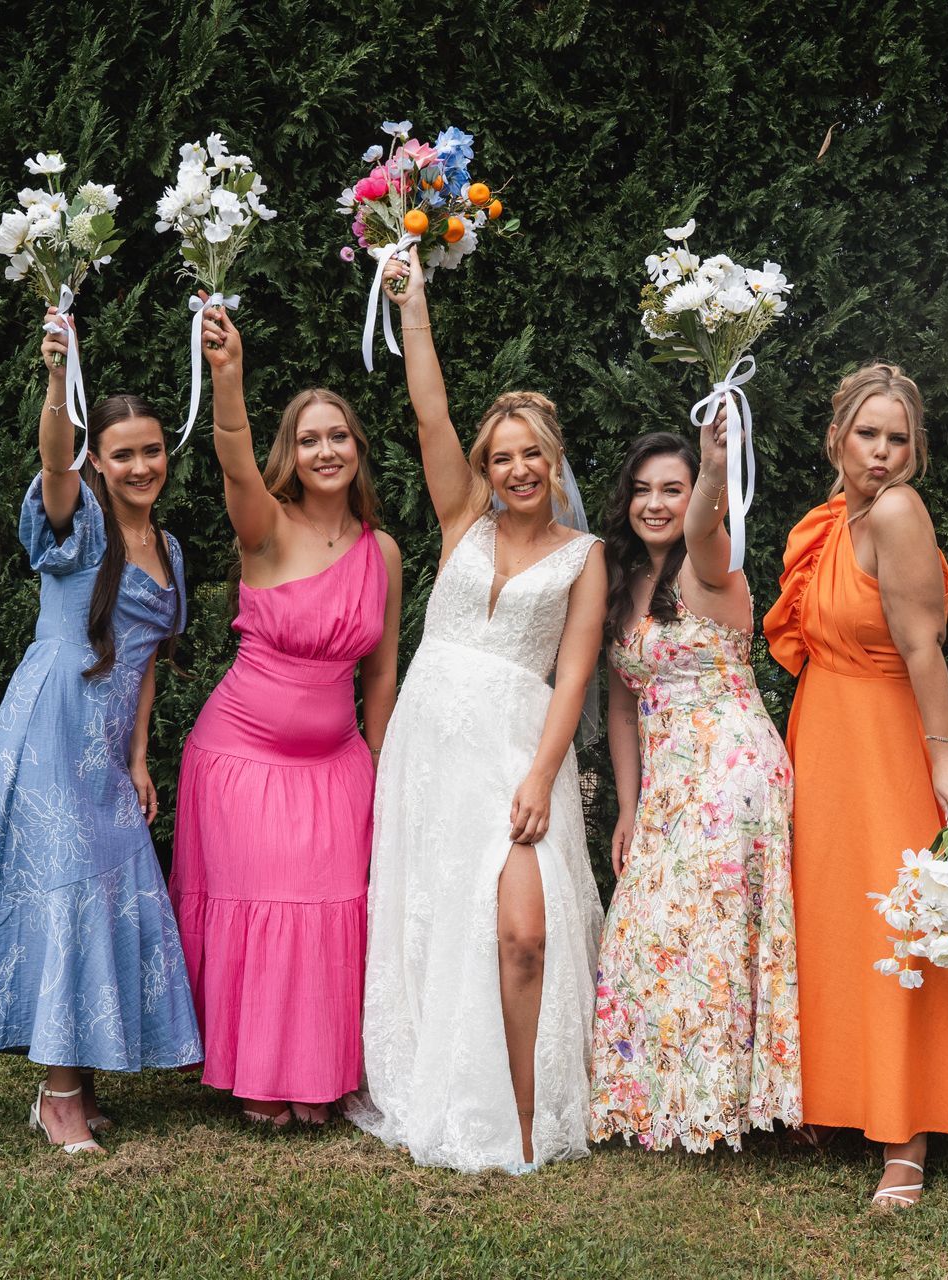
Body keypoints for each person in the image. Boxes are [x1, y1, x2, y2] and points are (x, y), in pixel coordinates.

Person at [0, 308, 201, 1155]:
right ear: (96, 461)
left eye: (152, 450)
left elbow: (148, 660)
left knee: (107, 892)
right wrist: (56, 376)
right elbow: (52, 462)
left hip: (108, 748)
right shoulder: (79, 525)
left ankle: (79, 1077)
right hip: (48, 729)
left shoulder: (172, 549)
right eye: (123, 453)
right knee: (69, 891)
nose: (142, 464)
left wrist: (142, 755)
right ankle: (58, 1096)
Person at [350, 252, 607, 1172]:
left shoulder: (584, 554)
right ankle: (453, 1090)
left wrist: (543, 773)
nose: (515, 468)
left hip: (514, 747)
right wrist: (412, 304)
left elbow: (573, 679)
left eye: (531, 453)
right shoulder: (463, 519)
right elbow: (430, 414)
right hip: (432, 741)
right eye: (501, 457)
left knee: (525, 935)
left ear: (554, 458)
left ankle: (533, 1118)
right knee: (440, 917)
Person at [169, 304, 402, 1127]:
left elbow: (380, 669)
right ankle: (263, 1075)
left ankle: (319, 1072)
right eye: (309, 439)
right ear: (291, 455)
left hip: (337, 763)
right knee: (269, 904)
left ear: (357, 448)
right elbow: (234, 467)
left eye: (338, 436)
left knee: (333, 912)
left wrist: (380, 769)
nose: (326, 450)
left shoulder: (383, 552)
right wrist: (227, 382)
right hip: (243, 762)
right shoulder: (264, 528)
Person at [762, 362, 948, 1208]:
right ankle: (837, 1097)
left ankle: (906, 1137)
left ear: (915, 451)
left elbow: (927, 647)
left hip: (889, 738)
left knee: (898, 923)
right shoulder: (827, 521)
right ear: (836, 439)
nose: (883, 453)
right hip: (824, 737)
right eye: (868, 435)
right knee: (832, 919)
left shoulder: (896, 513)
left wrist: (944, 757)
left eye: (899, 439)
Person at [588, 422, 801, 1153]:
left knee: (711, 937)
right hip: (668, 779)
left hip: (730, 768)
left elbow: (709, 516)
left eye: (670, 490)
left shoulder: (713, 563)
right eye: (642, 489)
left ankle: (720, 1105)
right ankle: (652, 1097)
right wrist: (628, 803)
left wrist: (713, 468)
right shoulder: (622, 581)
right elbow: (621, 703)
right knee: (645, 930)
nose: (655, 504)